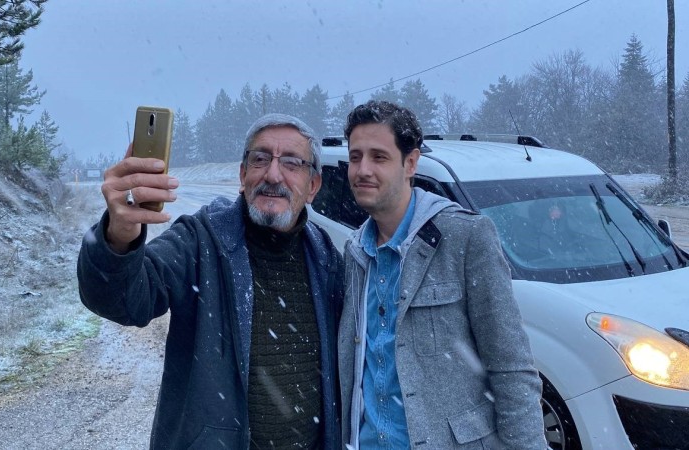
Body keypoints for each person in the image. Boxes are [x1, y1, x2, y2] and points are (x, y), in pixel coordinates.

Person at [77, 114, 344, 449]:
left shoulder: (326, 258)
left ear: (313, 186)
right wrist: (118, 234)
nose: (273, 175)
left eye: (291, 163)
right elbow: (124, 301)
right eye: (260, 159)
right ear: (243, 175)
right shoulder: (199, 240)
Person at [337, 100, 546, 449]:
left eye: (379, 157)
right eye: (355, 157)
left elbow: (511, 367)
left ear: (411, 163)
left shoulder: (465, 237)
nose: (363, 170)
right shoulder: (356, 252)